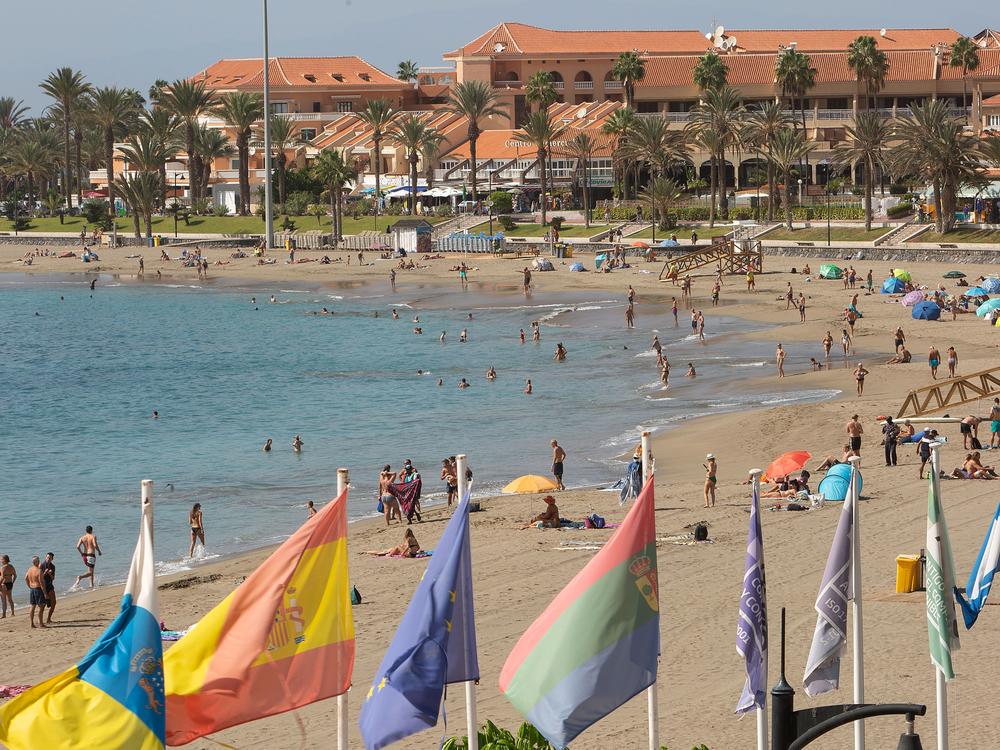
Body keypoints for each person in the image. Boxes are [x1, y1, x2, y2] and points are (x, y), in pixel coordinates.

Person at [74, 525, 102, 589]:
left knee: (90, 570)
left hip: (85, 556)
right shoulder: (93, 536)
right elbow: (95, 545)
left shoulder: (82, 538)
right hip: (91, 555)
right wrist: (99, 551)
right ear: (91, 530)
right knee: (90, 572)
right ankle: (80, 577)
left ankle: (91, 585)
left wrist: (81, 553)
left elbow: (77, 546)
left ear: (86, 531)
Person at [26, 557, 47, 628]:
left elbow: (25, 578)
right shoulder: (39, 571)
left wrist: (29, 586)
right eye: (38, 561)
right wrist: (45, 593)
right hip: (38, 589)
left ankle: (31, 623)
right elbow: (41, 583)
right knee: (42, 606)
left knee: (33, 606)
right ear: (37, 562)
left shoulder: (29, 569)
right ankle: (41, 623)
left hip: (32, 589)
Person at [39, 552, 56, 624]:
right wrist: (45, 573)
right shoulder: (41, 565)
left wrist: (49, 574)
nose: (48, 559)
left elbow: (53, 578)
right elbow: (39, 577)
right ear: (45, 557)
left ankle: (48, 619)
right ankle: (41, 621)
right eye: (47, 557)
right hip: (43, 587)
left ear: (52, 559)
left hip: (50, 586)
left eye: (50, 558)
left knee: (54, 603)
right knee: (42, 605)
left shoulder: (53, 566)